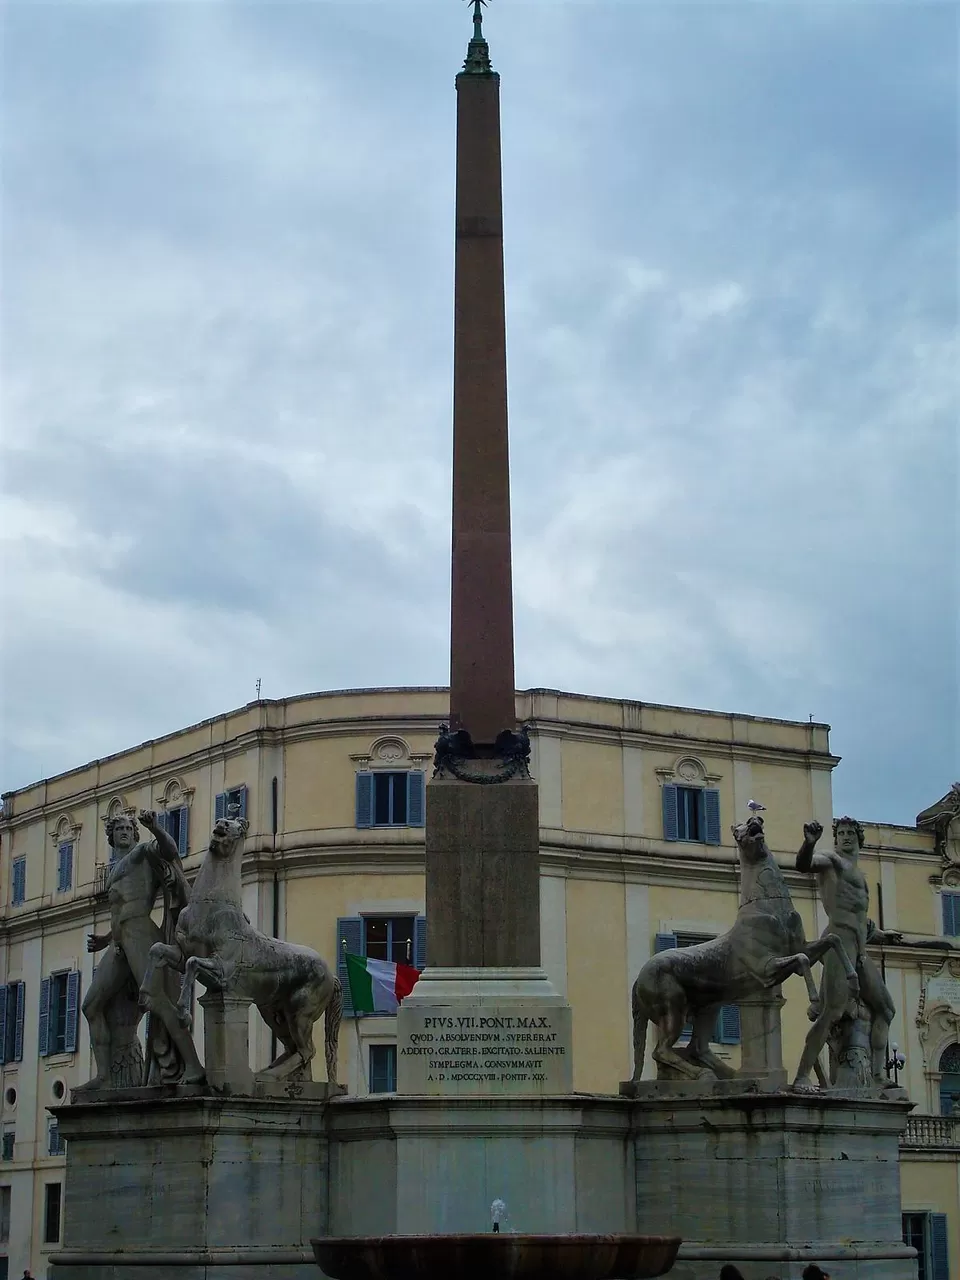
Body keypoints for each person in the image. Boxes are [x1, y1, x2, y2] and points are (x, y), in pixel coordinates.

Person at [79, 809, 202, 1088]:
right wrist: (107, 938)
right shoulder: (113, 871)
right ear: (111, 837)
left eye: (128, 828)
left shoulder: (144, 853)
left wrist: (156, 828)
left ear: (135, 834)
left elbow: (169, 851)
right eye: (118, 828)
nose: (123, 831)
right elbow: (119, 910)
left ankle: (193, 1064)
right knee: (91, 1006)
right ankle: (105, 1077)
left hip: (140, 933)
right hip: (119, 941)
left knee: (156, 1001)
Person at [793, 817, 901, 1086]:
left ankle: (877, 1075)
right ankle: (802, 1076)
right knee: (833, 1012)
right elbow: (804, 865)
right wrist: (809, 843)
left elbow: (859, 919)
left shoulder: (861, 878)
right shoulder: (831, 861)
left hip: (860, 948)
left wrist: (881, 935)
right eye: (840, 833)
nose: (845, 837)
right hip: (838, 942)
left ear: (859, 838)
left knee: (886, 1009)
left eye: (850, 833)